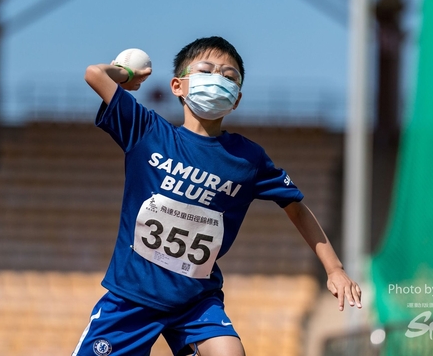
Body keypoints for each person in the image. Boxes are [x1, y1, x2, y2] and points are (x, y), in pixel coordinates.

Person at [75, 36, 362, 356]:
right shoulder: (147, 131)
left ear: (236, 99)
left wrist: (334, 268)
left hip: (196, 302)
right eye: (206, 71)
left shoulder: (248, 159)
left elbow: (295, 207)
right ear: (177, 86)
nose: (218, 80)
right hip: (132, 296)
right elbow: (94, 74)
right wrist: (126, 75)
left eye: (229, 77)